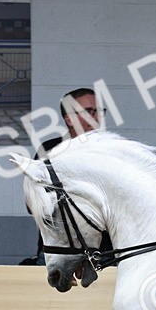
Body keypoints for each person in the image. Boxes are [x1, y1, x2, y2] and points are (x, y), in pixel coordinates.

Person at [27, 87, 108, 264]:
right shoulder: (48, 152)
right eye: (89, 111)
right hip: (59, 251)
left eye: (99, 111)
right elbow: (32, 204)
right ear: (69, 119)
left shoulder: (110, 151)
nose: (96, 117)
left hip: (104, 252)